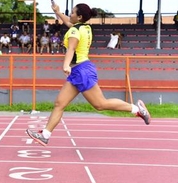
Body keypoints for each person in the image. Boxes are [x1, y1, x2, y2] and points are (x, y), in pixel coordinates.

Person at [26, 2, 151, 146]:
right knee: (59, 104)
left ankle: (137, 109)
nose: (70, 14)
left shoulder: (75, 31)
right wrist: (58, 12)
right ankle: (45, 135)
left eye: (72, 12)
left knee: (100, 104)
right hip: (79, 71)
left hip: (81, 71)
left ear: (79, 17)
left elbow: (71, 49)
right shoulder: (84, 27)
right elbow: (68, 21)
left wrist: (65, 65)